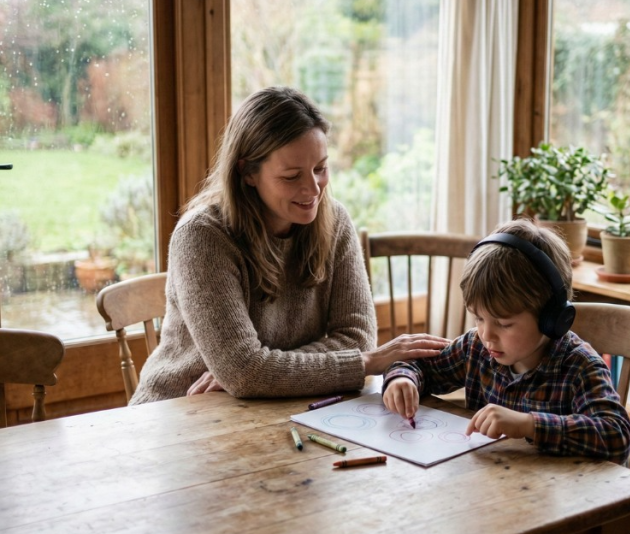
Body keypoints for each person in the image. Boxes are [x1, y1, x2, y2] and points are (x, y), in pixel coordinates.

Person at [382, 217, 630, 534]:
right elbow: (420, 365)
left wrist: (530, 424)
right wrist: (403, 378)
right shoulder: (478, 349)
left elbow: (616, 434)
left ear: (552, 317)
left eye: (503, 323)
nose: (486, 335)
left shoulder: (579, 366)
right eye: (478, 318)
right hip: (486, 523)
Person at [131, 86, 448, 404]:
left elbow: (357, 338)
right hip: (177, 409)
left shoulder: (335, 222)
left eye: (320, 168)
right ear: (247, 172)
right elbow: (247, 374)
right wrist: (363, 363)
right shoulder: (201, 236)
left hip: (273, 406)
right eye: (292, 176)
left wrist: (265, 370)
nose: (313, 189)